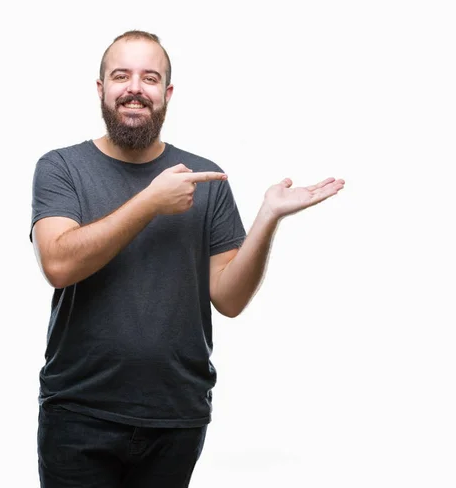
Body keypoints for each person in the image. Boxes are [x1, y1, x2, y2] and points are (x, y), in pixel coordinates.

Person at [30, 30, 344, 488]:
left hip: (176, 417)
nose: (135, 87)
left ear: (166, 94)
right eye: (121, 76)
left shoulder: (204, 179)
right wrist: (150, 202)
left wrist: (268, 217)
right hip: (78, 413)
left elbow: (230, 298)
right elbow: (58, 265)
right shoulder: (61, 167)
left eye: (150, 78)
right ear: (101, 89)